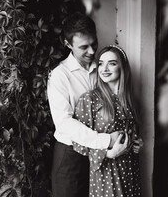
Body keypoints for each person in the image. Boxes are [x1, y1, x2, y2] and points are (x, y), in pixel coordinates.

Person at [47, 12, 122, 197]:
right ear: (68, 44)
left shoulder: (103, 69)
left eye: (94, 44)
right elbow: (64, 122)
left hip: (102, 157)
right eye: (84, 47)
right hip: (70, 158)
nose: (91, 51)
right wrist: (105, 141)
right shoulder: (60, 76)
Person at [72, 45, 143, 197]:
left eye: (112, 63)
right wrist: (108, 153)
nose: (105, 68)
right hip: (106, 172)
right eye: (101, 63)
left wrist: (137, 142)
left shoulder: (131, 99)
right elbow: (78, 142)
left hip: (130, 169)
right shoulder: (90, 99)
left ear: (122, 67)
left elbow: (133, 131)